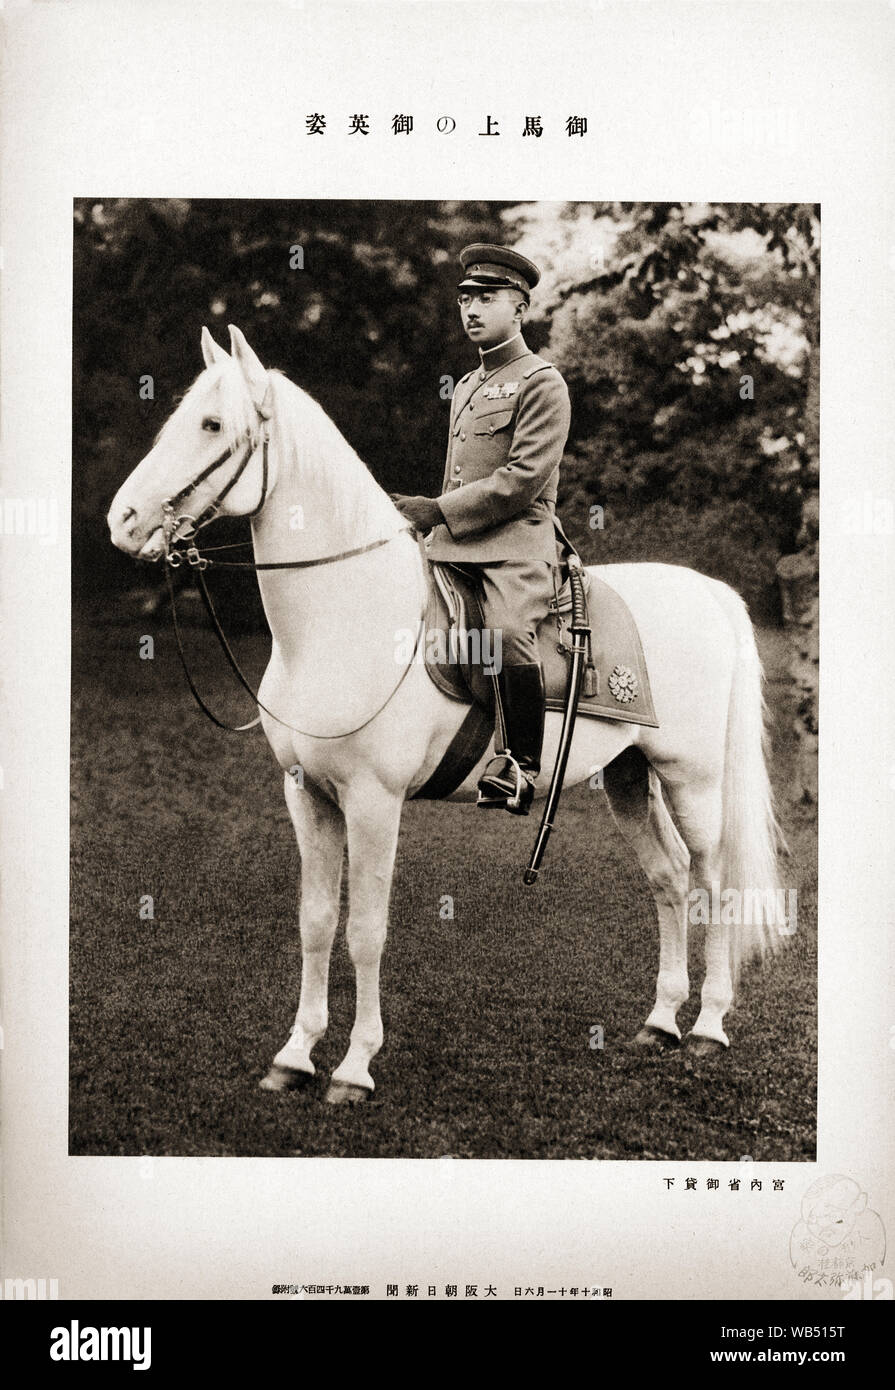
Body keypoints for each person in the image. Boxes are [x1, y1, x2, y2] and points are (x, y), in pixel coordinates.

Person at [392, 244, 571, 815]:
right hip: (454, 541)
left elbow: (521, 479)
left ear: (519, 307)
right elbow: (464, 471)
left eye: (486, 299)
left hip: (516, 544)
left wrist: (438, 510)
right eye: (465, 299)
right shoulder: (467, 384)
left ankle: (519, 765)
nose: (471, 309)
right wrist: (436, 525)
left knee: (507, 629)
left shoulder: (543, 382)